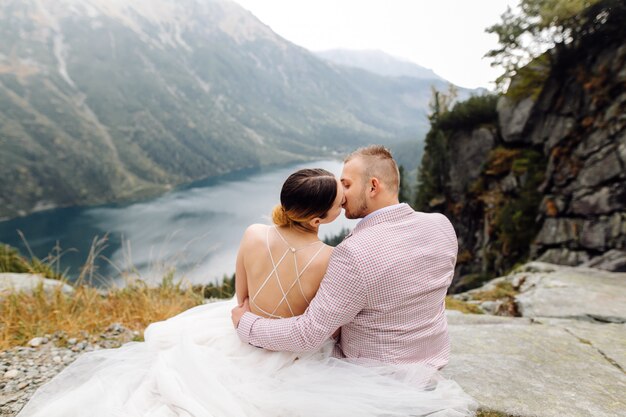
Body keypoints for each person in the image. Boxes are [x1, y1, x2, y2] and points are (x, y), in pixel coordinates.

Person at [17, 165, 476, 417]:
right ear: (318, 220)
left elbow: (240, 299)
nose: (344, 199)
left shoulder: (255, 233)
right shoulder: (332, 258)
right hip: (290, 350)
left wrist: (244, 319)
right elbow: (314, 327)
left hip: (241, 332)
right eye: (339, 198)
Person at [233, 145, 458, 368]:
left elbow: (309, 334)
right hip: (432, 360)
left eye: (346, 184)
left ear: (373, 187)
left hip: (375, 374)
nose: (340, 195)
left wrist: (246, 323)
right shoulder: (441, 225)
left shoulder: (353, 253)